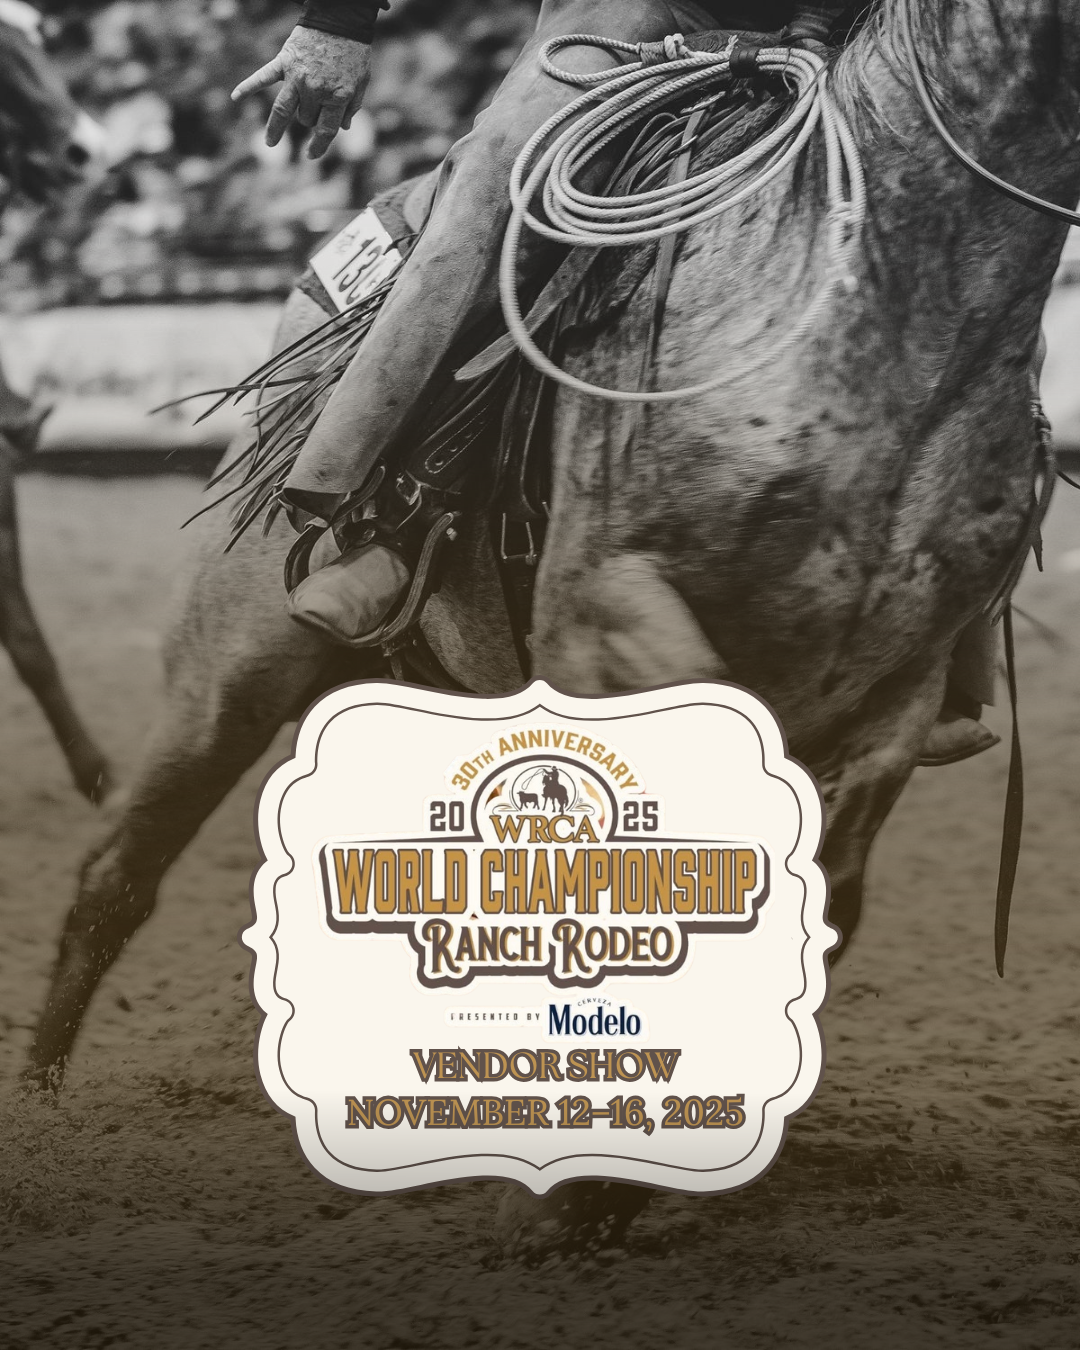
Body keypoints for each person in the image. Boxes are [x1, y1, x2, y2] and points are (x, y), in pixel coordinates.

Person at [233, 0, 999, 766]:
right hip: (643, 12)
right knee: (502, 173)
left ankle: (944, 620)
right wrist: (337, 22)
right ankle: (392, 516)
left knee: (977, 222)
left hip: (868, 21)